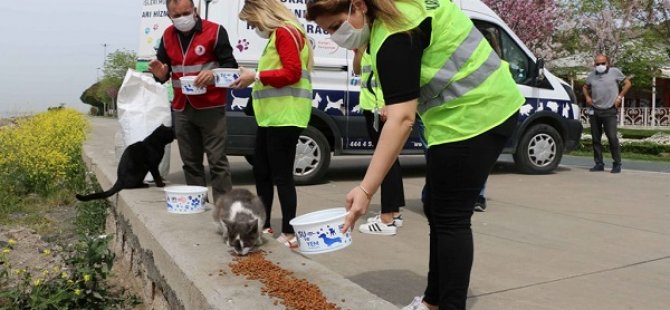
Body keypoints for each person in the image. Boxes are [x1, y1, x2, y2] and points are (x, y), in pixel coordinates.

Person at [306, 0, 523, 309]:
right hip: (471, 110)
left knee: (451, 219)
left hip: (475, 116)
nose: (334, 36)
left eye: (335, 26)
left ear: (357, 6)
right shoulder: (399, 10)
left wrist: (366, 189)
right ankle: (433, 301)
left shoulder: (395, 34)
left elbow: (401, 119)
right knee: (437, 208)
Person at [231, 0, 314, 248]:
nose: (252, 27)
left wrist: (255, 76)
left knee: (281, 176)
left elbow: (291, 73)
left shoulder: (285, 33)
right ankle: (263, 225)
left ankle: (290, 232)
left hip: (285, 117)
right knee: (262, 171)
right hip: (273, 117)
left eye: (252, 22)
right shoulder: (282, 34)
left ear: (262, 13)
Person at [148, 0, 238, 203]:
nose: (182, 18)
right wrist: (160, 74)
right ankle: (199, 206)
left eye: (185, 13)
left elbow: (231, 66)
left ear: (195, 11)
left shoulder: (214, 31)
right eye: (176, 15)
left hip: (211, 106)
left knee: (217, 162)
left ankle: (225, 212)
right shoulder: (167, 36)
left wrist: (213, 74)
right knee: (190, 163)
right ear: (169, 16)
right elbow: (163, 71)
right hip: (182, 108)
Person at [353, 47, 406, 235]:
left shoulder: (380, 45)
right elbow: (357, 70)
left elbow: (395, 76)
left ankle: (387, 219)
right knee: (390, 159)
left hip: (381, 110)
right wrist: (357, 52)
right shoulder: (365, 47)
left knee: (385, 161)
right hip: (371, 107)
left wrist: (388, 104)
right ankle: (394, 212)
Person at [583, 54, 631, 174]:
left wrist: (619, 97)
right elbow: (585, 87)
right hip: (595, 109)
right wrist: (588, 97)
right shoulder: (592, 75)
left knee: (612, 137)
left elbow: (628, 83)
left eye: (602, 63)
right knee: (595, 138)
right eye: (597, 64)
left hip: (610, 110)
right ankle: (599, 163)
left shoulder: (615, 72)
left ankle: (617, 163)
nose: (600, 66)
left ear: (607, 63)